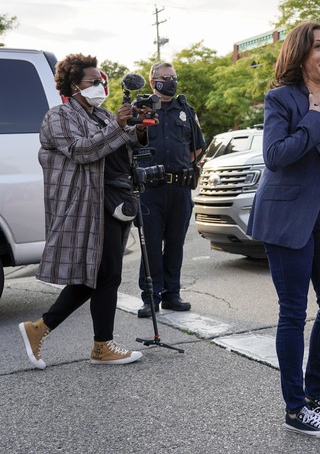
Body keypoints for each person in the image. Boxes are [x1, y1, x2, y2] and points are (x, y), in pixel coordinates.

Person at [247, 22, 320, 438]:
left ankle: (316, 394)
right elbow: (277, 156)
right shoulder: (281, 99)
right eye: (318, 46)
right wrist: (316, 120)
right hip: (289, 221)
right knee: (293, 313)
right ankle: (295, 408)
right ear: (300, 55)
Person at [18, 53, 149, 369]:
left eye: (101, 81)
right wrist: (118, 127)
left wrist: (138, 128)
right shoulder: (59, 116)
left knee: (100, 276)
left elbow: (121, 145)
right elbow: (81, 151)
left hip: (112, 202)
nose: (100, 86)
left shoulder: (102, 115)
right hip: (84, 205)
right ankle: (99, 346)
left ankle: (42, 329)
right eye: (94, 81)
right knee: (105, 275)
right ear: (74, 85)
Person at [136, 62, 206, 318]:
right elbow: (130, 144)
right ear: (153, 81)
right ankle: (150, 298)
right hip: (151, 190)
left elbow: (198, 146)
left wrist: (181, 166)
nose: (171, 81)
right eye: (166, 77)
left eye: (174, 77)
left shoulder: (185, 110)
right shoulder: (141, 109)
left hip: (179, 188)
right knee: (151, 245)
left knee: (175, 243)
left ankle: (171, 295)